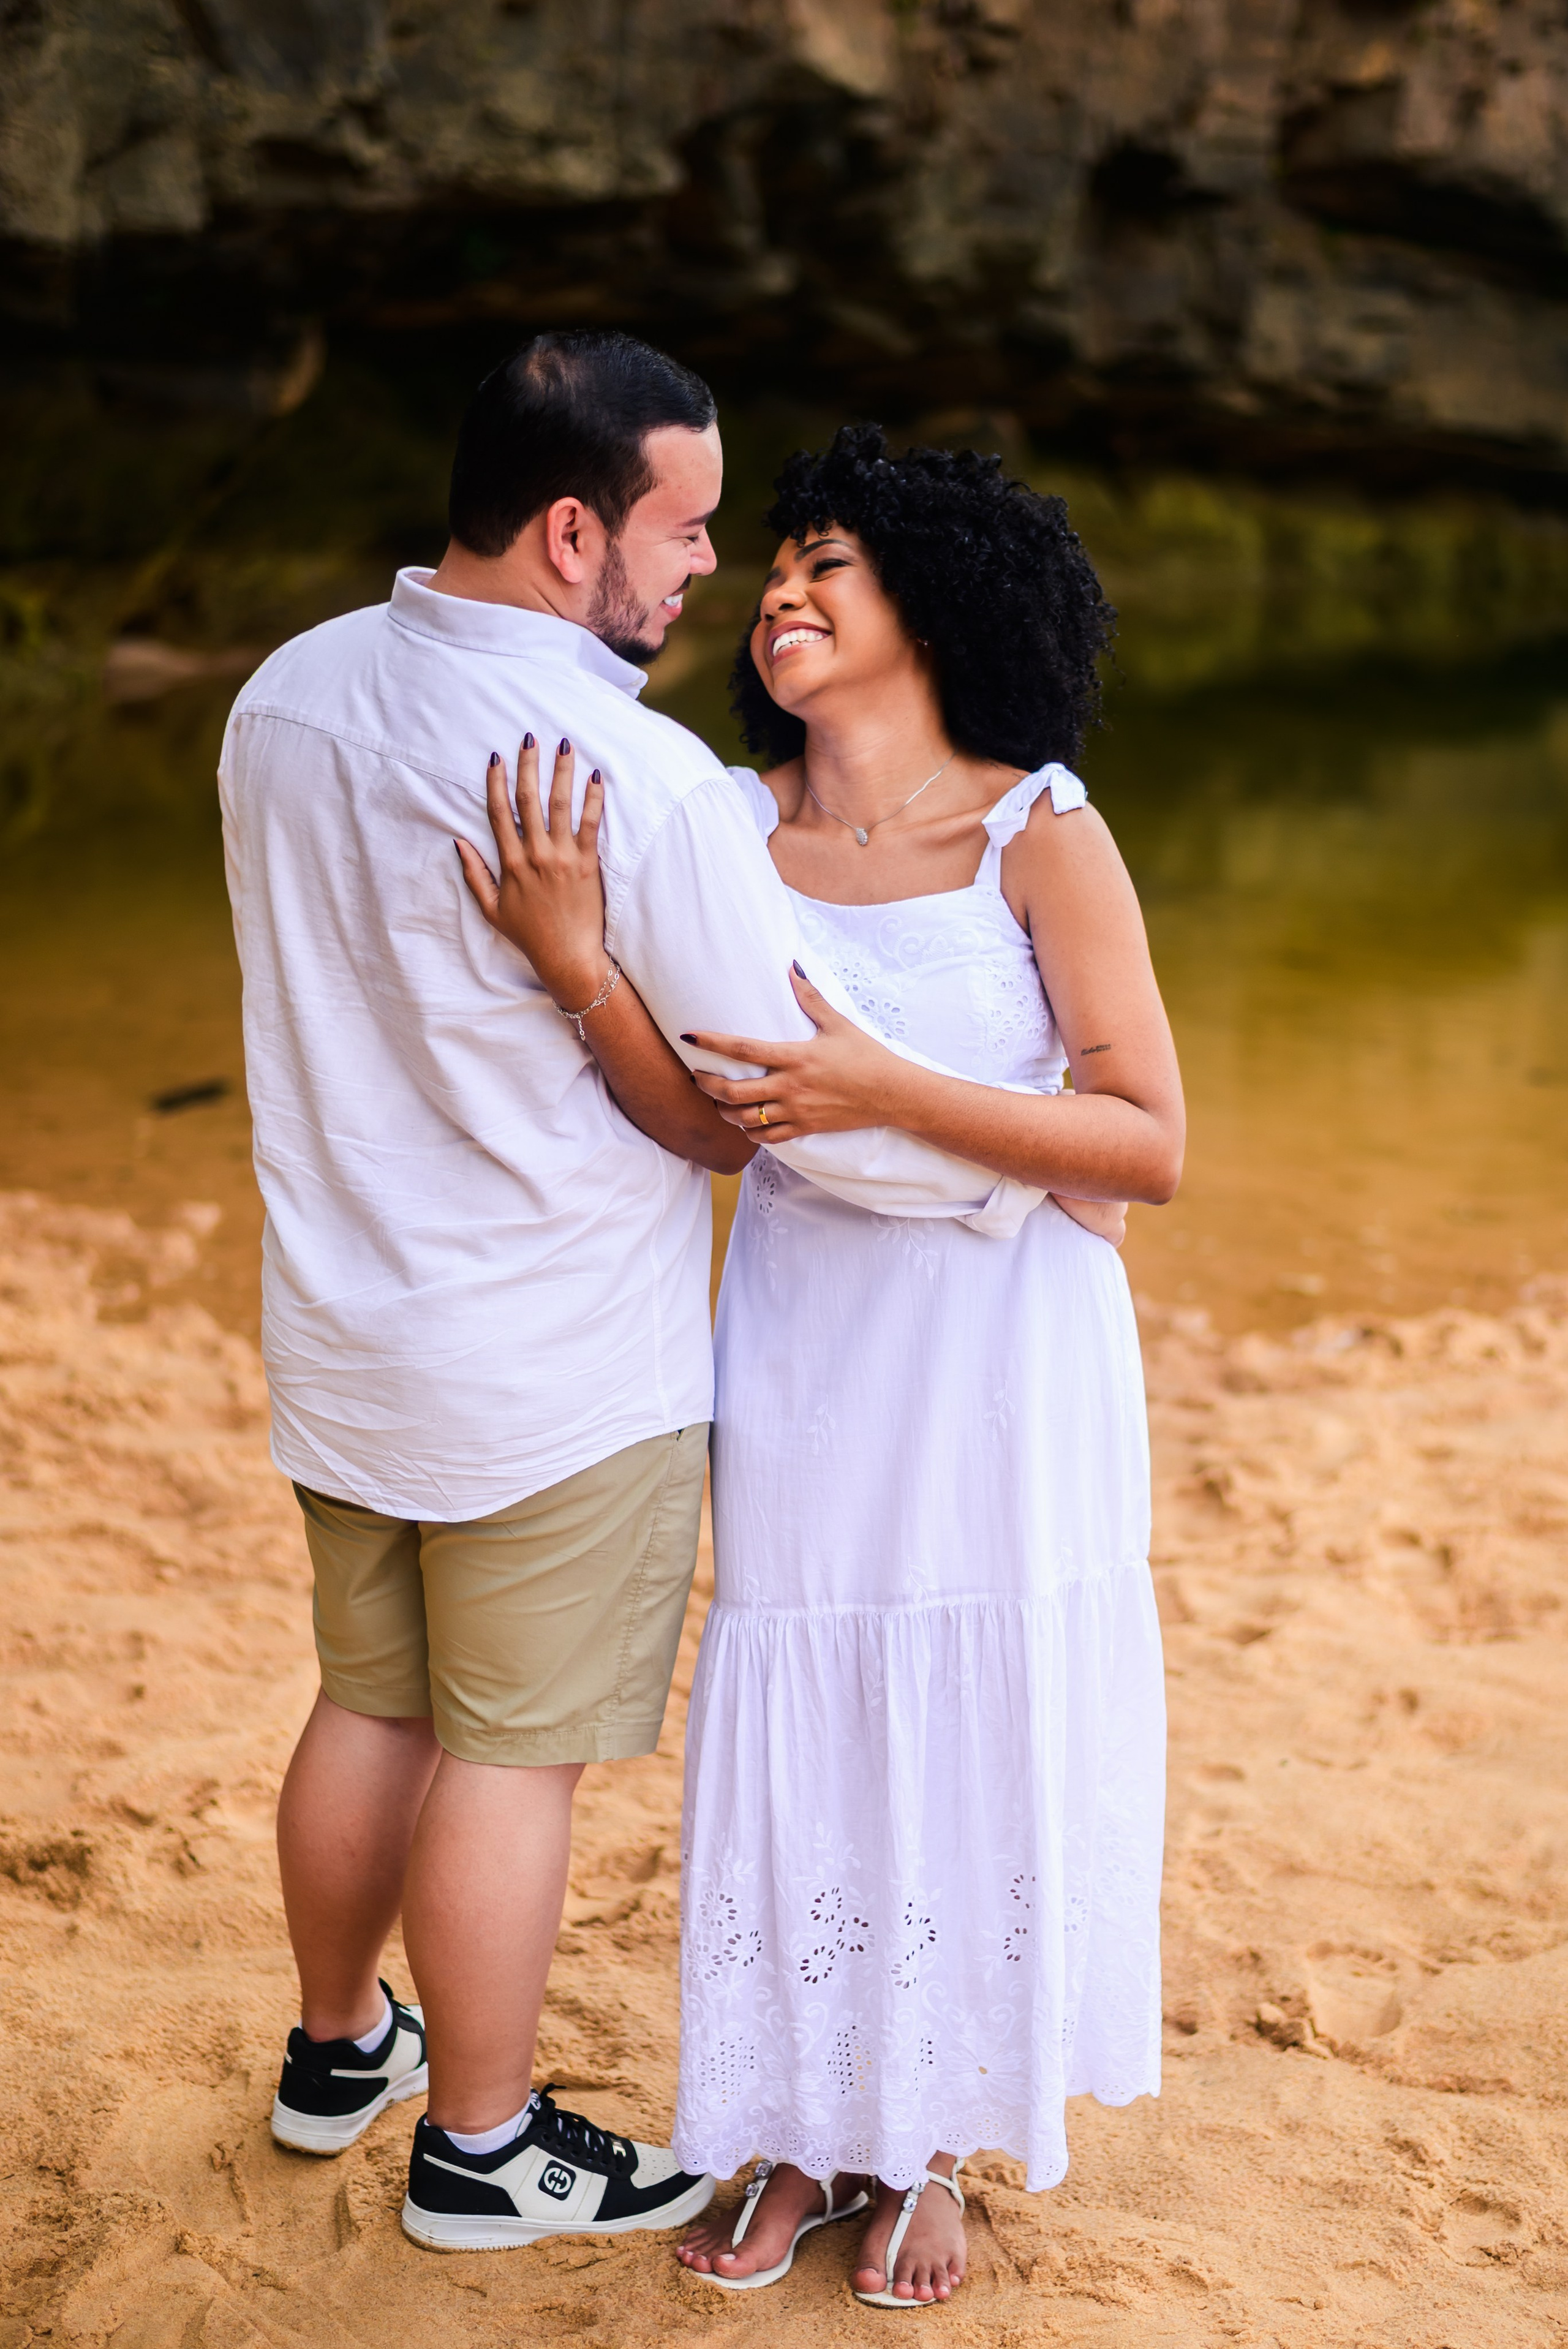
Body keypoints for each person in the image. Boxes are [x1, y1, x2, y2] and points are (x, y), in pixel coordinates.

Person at [219, 334, 1050, 2255]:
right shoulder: (632, 769)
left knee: (370, 1700)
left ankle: (342, 2044)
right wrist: (1009, 1162)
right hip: (551, 1359)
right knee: (511, 1749)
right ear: (573, 522)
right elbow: (747, 1107)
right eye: (680, 531)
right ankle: (486, 2146)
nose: (710, 575)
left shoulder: (284, 698)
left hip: (343, 1319)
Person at [460, 423, 1183, 2306]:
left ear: (929, 605)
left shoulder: (1042, 829)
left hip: (1006, 1358)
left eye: (824, 564)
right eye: (768, 564)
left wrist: (883, 1087)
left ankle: (926, 2138)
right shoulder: (723, 828)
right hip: (805, 1339)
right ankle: (792, 2124)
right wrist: (571, 963)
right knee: (808, 1696)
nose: (777, 589)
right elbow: (709, 1130)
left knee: (969, 1711)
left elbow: (1150, 1140)